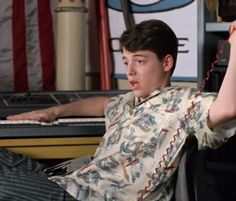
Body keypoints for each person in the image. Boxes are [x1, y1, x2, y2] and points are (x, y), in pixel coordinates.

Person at [5, 19, 236, 201]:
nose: (130, 71)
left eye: (140, 61)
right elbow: (100, 104)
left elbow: (228, 107)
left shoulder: (184, 102)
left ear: (166, 63)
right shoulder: (128, 100)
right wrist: (54, 112)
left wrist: (235, 46)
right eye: (126, 61)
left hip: (90, 197)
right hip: (70, 182)